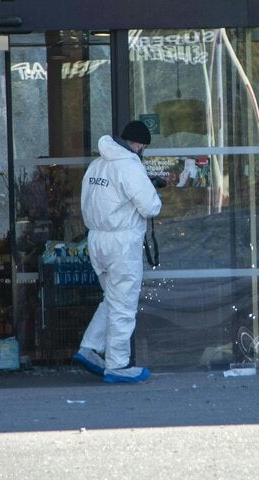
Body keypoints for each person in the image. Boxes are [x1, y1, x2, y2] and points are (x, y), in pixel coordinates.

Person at [73, 121, 162, 383]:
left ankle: (89, 348)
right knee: (123, 302)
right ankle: (118, 364)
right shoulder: (130, 165)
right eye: (143, 146)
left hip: (97, 240)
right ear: (137, 144)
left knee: (112, 298)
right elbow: (150, 208)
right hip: (121, 243)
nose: (142, 150)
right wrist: (153, 190)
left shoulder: (96, 165)